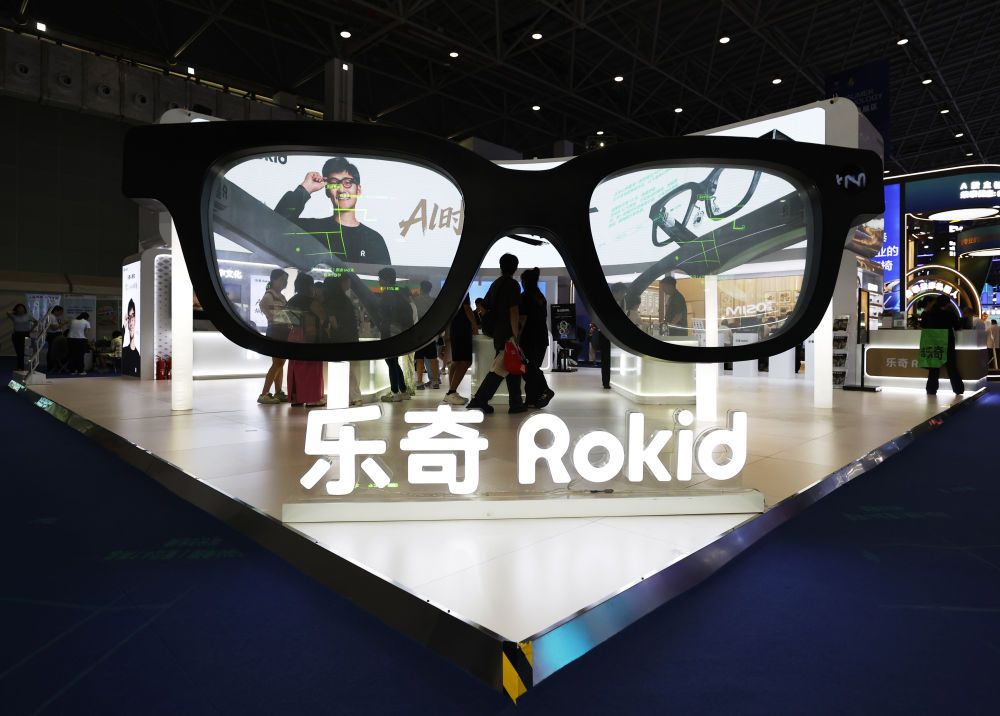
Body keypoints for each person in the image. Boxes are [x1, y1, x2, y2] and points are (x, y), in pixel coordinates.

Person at [273, 157, 390, 265]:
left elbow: (385, 279)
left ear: (358, 190)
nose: (341, 190)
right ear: (327, 191)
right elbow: (275, 225)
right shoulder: (313, 229)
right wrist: (305, 188)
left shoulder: (374, 240)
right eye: (334, 184)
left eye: (347, 183)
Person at [467, 253, 526, 414]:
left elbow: (483, 306)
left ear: (501, 266)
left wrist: (493, 321)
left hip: (499, 333)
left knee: (512, 367)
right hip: (508, 334)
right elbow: (514, 311)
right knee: (500, 369)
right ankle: (479, 400)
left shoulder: (496, 284)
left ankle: (516, 403)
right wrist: (515, 335)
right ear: (515, 267)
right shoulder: (513, 285)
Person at [285, 273, 326, 407]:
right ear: (309, 286)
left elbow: (287, 319)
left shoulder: (291, 301)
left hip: (294, 335)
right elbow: (322, 317)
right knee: (311, 368)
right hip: (309, 336)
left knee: (295, 368)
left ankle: (296, 398)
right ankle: (312, 398)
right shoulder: (311, 302)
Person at [323, 274, 363, 405]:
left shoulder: (331, 300)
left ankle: (349, 397)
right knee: (353, 368)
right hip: (351, 337)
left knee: (342, 368)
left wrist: (335, 329)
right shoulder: (344, 299)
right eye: (347, 282)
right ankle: (355, 397)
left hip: (339, 338)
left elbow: (332, 320)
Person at [518, 268, 555, 408]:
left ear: (524, 281)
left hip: (529, 338)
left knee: (530, 369)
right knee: (532, 368)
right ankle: (531, 400)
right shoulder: (540, 297)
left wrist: (517, 337)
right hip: (541, 337)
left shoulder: (524, 297)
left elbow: (522, 319)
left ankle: (545, 390)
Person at [377, 267, 413, 402]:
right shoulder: (400, 292)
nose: (379, 281)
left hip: (389, 332)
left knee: (391, 361)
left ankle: (394, 392)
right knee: (394, 361)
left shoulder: (387, 293)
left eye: (380, 279)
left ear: (386, 279)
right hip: (399, 332)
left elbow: (384, 314)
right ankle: (403, 391)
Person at [920, 294, 964, 396]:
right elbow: (957, 327)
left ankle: (931, 389)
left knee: (934, 367)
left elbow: (923, 325)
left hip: (933, 342)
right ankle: (958, 389)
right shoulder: (950, 314)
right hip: (947, 342)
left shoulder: (928, 314)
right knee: (951, 367)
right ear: (947, 304)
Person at [258, 268, 290, 404]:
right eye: (282, 280)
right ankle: (264, 394)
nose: (285, 282)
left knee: (280, 363)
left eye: (286, 280)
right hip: (276, 331)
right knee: (277, 363)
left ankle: (278, 392)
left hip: (282, 331)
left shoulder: (281, 296)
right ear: (274, 280)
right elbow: (263, 305)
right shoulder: (270, 294)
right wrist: (272, 318)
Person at [443, 294, 478, 405]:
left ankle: (452, 392)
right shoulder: (463, 290)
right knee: (465, 361)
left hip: (455, 327)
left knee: (457, 361)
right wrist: (474, 325)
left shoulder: (452, 291)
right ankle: (451, 392)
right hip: (462, 329)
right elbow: (467, 308)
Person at [413, 280, 441, 390]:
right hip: (430, 333)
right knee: (433, 358)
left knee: (419, 358)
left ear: (421, 288)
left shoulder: (415, 300)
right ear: (430, 289)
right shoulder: (433, 301)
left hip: (419, 333)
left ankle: (419, 382)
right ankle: (435, 381)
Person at [7, 303, 37, 371]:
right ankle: (20, 367)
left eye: (22, 308)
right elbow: (8, 312)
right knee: (19, 352)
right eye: (19, 308)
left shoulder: (28, 315)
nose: (21, 309)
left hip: (26, 334)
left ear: (24, 308)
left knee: (26, 351)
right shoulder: (14, 316)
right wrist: (15, 311)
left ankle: (27, 366)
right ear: (16, 309)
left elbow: (36, 322)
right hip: (17, 335)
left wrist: (31, 330)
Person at [121, 299, 140, 377]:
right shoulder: (125, 351)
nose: (131, 322)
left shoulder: (139, 355)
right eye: (129, 317)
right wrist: (124, 326)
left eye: (133, 316)